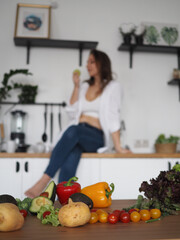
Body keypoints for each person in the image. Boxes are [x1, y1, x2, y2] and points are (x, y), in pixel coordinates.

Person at [25, 49, 130, 198]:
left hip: (96, 137)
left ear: (102, 63)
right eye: (87, 62)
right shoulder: (85, 87)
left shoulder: (113, 87)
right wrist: (76, 86)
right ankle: (64, 202)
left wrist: (118, 147)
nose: (88, 65)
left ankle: (44, 180)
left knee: (74, 131)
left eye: (92, 61)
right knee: (72, 152)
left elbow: (113, 116)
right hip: (77, 135)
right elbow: (72, 111)